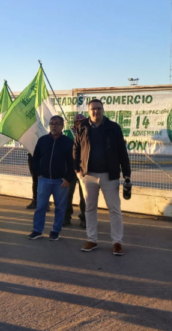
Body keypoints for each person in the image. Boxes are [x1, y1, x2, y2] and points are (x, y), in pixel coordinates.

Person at [73, 99, 131, 256]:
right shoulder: (82, 127)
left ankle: (117, 242)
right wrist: (77, 171)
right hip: (88, 175)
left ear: (103, 109)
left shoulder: (113, 128)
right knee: (90, 208)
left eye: (98, 109)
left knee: (114, 209)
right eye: (93, 109)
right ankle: (92, 239)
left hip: (109, 175)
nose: (96, 112)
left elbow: (121, 151)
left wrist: (127, 173)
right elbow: (76, 148)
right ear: (88, 110)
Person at [27, 115, 75, 241]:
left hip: (61, 182)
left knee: (60, 208)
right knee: (41, 207)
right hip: (44, 180)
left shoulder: (68, 142)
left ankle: (55, 231)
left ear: (62, 126)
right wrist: (38, 174)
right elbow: (35, 158)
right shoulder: (42, 140)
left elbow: (73, 163)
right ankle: (37, 230)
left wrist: (68, 178)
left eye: (57, 123)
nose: (54, 125)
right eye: (52, 123)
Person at [63, 113, 87, 228]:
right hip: (70, 168)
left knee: (84, 196)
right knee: (67, 194)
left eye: (82, 122)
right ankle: (66, 217)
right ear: (74, 123)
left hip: (84, 169)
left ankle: (84, 218)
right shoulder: (68, 133)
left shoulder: (88, 132)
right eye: (78, 122)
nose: (80, 124)